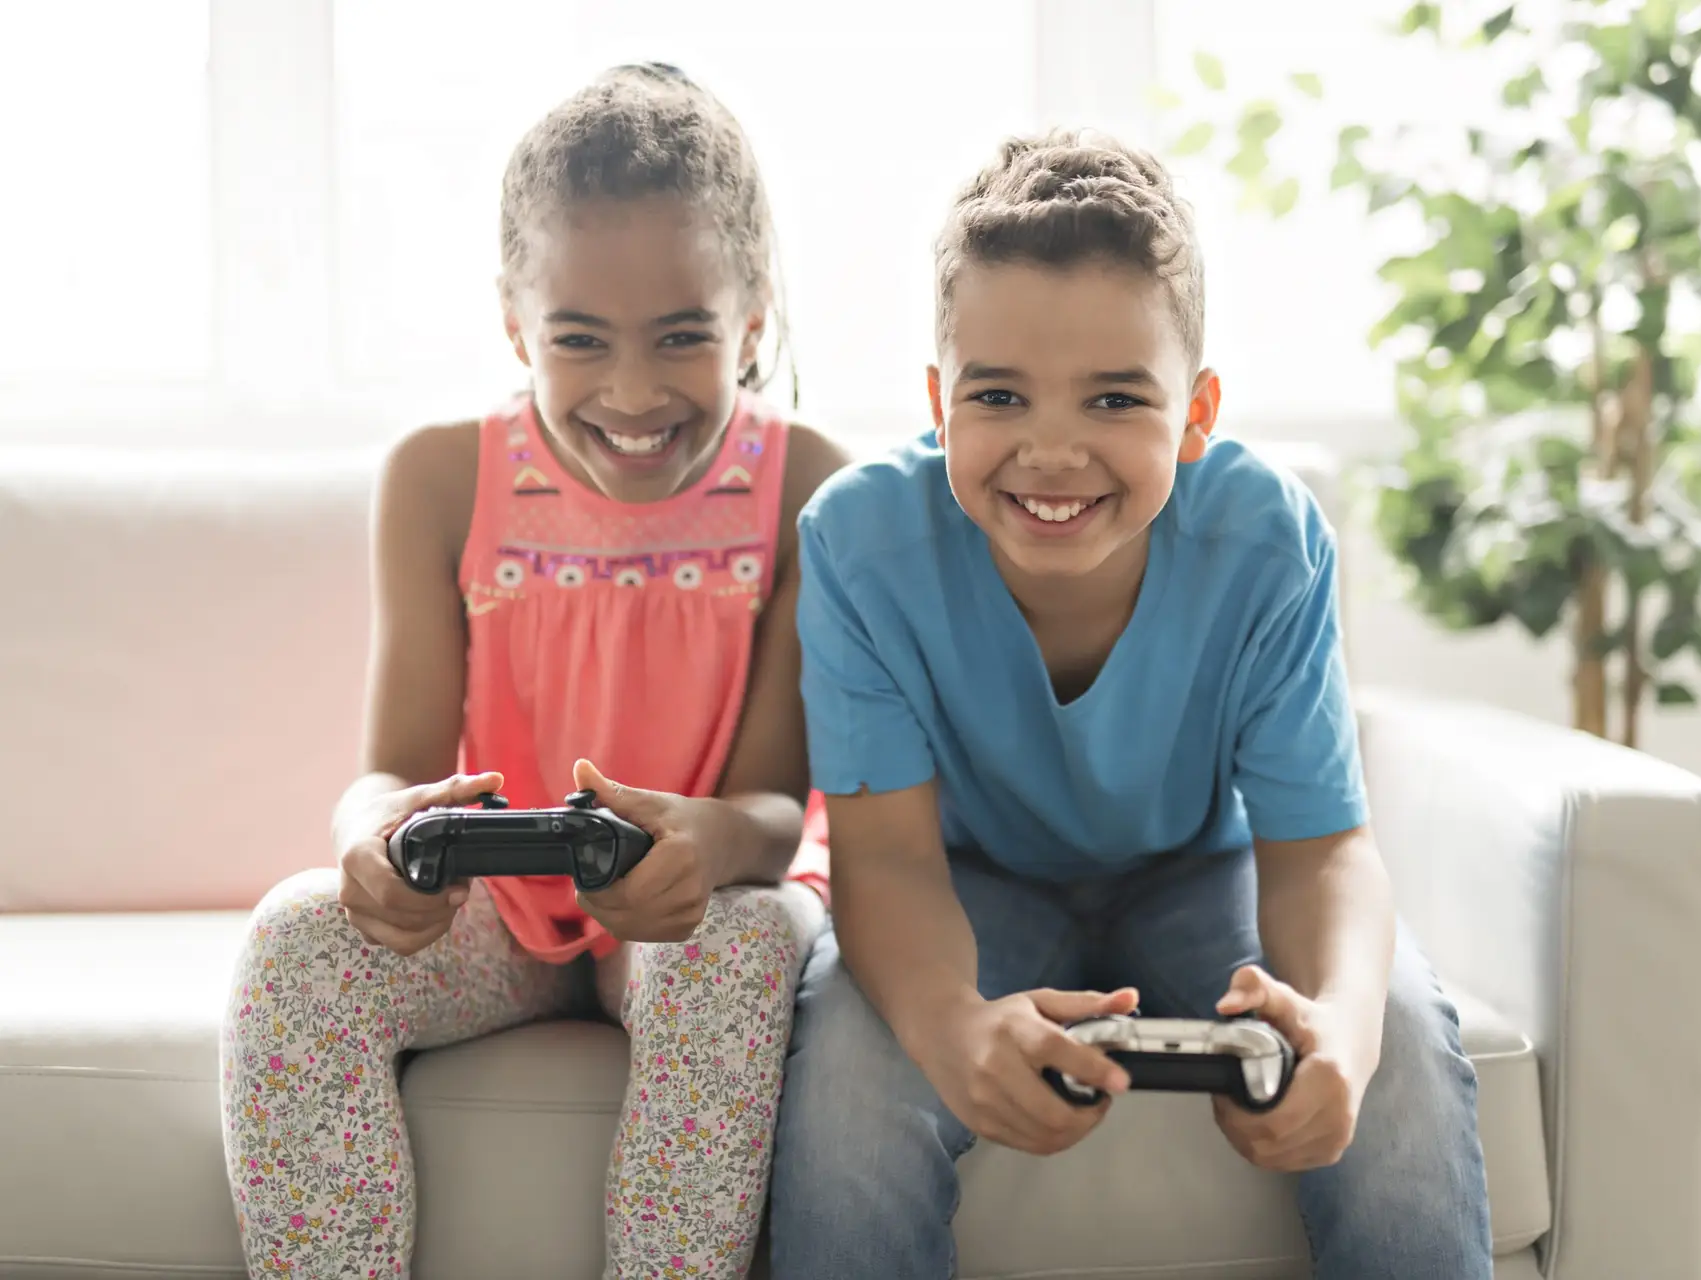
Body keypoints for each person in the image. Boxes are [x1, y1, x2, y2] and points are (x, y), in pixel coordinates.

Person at [768, 130, 1493, 1279]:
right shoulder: (859, 543)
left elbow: (1321, 852)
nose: (1052, 450)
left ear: (1197, 411)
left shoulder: (1267, 539)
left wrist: (1342, 1040)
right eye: (999, 395)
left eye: (1115, 398)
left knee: (1395, 1033)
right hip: (967, 885)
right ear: (936, 402)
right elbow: (886, 859)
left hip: (1205, 878)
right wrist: (955, 1027)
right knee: (855, 1079)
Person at [219, 63, 846, 1280]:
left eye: (683, 336)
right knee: (294, 940)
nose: (631, 390)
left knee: (735, 950)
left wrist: (698, 849)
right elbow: (388, 770)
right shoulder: (441, 476)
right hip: (496, 911)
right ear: (515, 323)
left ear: (753, 317)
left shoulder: (810, 483)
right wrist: (375, 836)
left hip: (691, 907)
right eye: (578, 339)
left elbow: (776, 810)